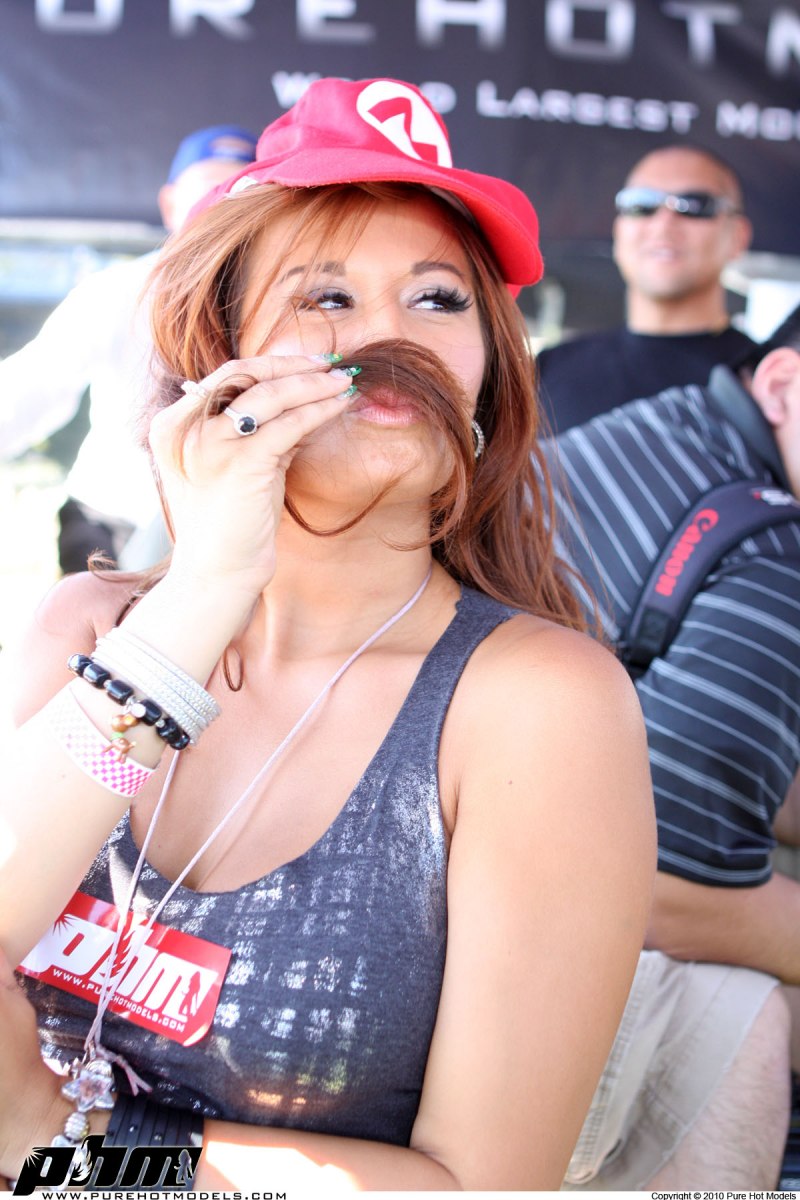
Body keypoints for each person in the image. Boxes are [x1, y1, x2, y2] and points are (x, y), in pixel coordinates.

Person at [0, 78, 655, 1192]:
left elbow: (485, 1184)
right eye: (327, 295)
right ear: (219, 349)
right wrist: (203, 595)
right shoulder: (89, 627)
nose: (390, 334)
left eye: (439, 299)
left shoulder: (533, 705)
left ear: (488, 374)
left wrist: (73, 1151)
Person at [545, 303, 800, 1190]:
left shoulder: (664, 433)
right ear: (782, 386)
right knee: (756, 1005)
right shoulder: (774, 552)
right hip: (436, 966)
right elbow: (670, 897)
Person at [0, 124, 258, 573]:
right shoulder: (119, 290)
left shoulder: (284, 300)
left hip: (230, 531)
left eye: (241, 195)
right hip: (111, 521)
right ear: (170, 204)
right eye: (206, 192)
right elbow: (33, 385)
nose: (220, 207)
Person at [537, 144, 757, 432]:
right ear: (618, 230)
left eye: (694, 205)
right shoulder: (546, 371)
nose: (663, 224)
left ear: (738, 237)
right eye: (641, 204)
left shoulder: (773, 383)